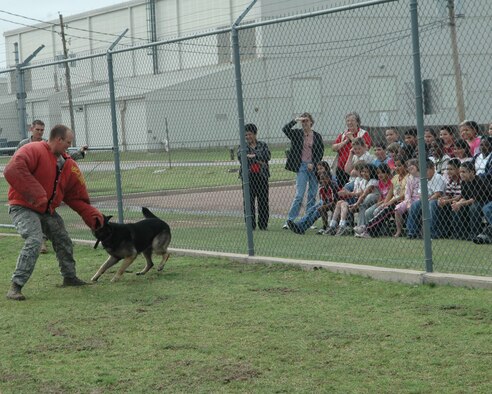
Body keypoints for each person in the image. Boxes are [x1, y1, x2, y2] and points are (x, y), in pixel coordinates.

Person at [4, 125, 104, 301]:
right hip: (23, 206)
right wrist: (37, 195)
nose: (69, 146)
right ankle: (15, 287)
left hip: (46, 209)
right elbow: (13, 169)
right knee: (35, 240)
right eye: (68, 142)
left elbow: (76, 196)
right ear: (58, 139)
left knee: (63, 239)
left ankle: (70, 277)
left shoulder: (68, 164)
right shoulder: (33, 149)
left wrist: (91, 214)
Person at [17, 119, 89, 254]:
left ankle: (44, 242)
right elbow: (17, 164)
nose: (39, 132)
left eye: (42, 130)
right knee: (33, 218)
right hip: (29, 188)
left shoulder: (48, 144)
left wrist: (80, 153)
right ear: (31, 129)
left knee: (45, 215)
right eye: (37, 129)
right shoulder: (24, 145)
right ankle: (40, 241)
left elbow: (64, 157)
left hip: (45, 187)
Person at [282, 113, 324, 228]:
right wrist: (295, 120)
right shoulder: (296, 134)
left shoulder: (317, 136)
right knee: (299, 195)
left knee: (312, 194)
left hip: (313, 167)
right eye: (303, 121)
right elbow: (285, 129)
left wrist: (314, 163)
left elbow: (320, 152)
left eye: (307, 120)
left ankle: (307, 220)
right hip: (301, 166)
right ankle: (290, 220)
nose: (305, 123)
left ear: (311, 122)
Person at [237, 123, 271, 231]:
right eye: (245, 135)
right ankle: (250, 225)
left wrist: (254, 156)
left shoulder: (263, 145)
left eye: (250, 134)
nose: (247, 137)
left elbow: (267, 156)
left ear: (255, 134)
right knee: (248, 202)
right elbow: (241, 157)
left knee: (263, 201)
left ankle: (263, 224)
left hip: (262, 176)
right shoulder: (242, 146)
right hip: (248, 177)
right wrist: (259, 159)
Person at [451, 161, 492, 240]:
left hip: (486, 201)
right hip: (474, 201)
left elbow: (475, 199)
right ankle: (464, 233)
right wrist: (458, 203)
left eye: (464, 172)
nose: (461, 174)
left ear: (472, 172)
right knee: (459, 208)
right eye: (460, 172)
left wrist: (460, 203)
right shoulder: (464, 182)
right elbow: (464, 196)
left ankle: (475, 233)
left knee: (474, 208)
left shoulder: (479, 180)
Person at [406, 159, 446, 239]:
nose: (424, 172)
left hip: (439, 201)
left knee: (432, 204)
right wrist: (424, 199)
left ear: (433, 168)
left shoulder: (437, 177)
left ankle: (431, 232)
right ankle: (412, 232)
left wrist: (427, 199)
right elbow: (420, 194)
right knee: (415, 204)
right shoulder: (423, 179)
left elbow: (438, 194)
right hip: (427, 200)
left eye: (426, 170)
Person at [332, 112, 371, 187]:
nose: (350, 122)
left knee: (354, 188)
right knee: (342, 189)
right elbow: (334, 147)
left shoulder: (363, 133)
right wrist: (345, 141)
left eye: (352, 120)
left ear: (357, 122)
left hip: (357, 168)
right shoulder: (343, 134)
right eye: (348, 121)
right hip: (341, 168)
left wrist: (352, 138)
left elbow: (366, 147)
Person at [354, 163, 393, 238]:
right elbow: (381, 196)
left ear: (387, 173)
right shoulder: (380, 183)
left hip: (387, 203)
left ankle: (369, 231)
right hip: (381, 202)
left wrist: (379, 204)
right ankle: (370, 230)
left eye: (382, 172)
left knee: (372, 210)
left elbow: (389, 197)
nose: (380, 175)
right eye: (378, 173)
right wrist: (378, 203)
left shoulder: (390, 183)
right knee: (367, 211)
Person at [434, 159, 462, 239]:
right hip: (452, 201)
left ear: (458, 169)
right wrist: (441, 199)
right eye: (447, 169)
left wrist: (446, 201)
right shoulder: (450, 181)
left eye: (451, 169)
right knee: (440, 205)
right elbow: (448, 195)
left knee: (454, 208)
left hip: (460, 202)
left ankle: (457, 233)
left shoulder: (461, 181)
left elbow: (459, 197)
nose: (448, 171)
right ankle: (443, 232)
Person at [393, 159, 420, 237]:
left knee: (414, 207)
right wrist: (408, 202)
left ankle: (414, 230)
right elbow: (407, 192)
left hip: (419, 199)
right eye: (408, 167)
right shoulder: (409, 178)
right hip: (410, 199)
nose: (410, 168)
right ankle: (399, 230)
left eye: (412, 166)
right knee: (397, 209)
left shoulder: (422, 176)